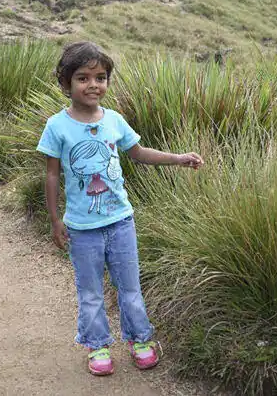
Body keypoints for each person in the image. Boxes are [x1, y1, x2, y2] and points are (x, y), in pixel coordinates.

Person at [37, 42, 204, 377]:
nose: (93, 85)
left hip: (121, 222)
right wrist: (56, 220)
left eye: (100, 77)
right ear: (66, 82)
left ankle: (140, 339)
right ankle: (97, 344)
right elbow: (52, 174)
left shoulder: (114, 120)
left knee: (130, 287)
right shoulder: (57, 126)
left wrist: (178, 159)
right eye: (83, 78)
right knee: (91, 292)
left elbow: (138, 153)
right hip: (83, 229)